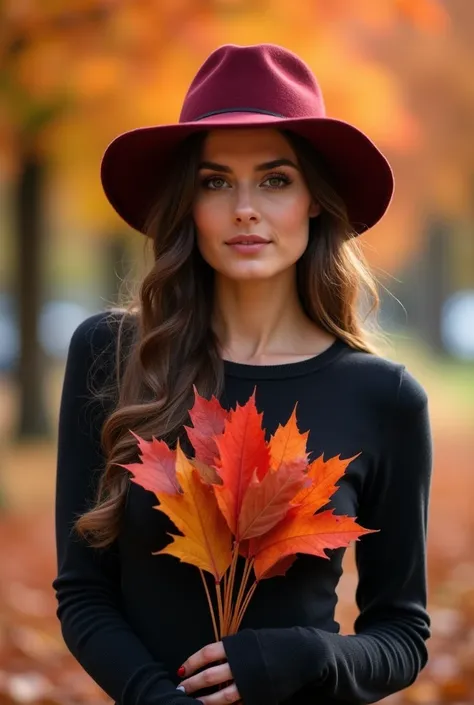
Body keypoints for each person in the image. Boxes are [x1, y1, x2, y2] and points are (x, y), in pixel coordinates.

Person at [52, 43, 433, 705]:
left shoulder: (384, 397)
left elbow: (400, 634)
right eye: (215, 180)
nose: (245, 208)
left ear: (314, 199)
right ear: (187, 203)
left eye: (276, 179)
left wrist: (310, 653)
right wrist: (154, 696)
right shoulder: (114, 358)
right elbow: (82, 589)